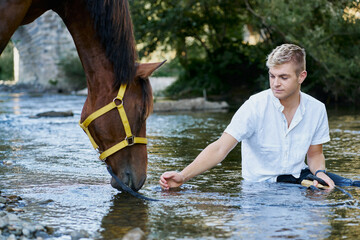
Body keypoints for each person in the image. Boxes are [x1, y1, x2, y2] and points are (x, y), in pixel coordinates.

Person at [159, 43, 360, 191]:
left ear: (302, 77)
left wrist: (319, 173)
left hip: (300, 183)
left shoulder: (317, 109)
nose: (275, 83)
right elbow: (220, 148)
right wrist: (182, 176)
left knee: (352, 186)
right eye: (272, 76)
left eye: (283, 77)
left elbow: (315, 154)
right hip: (261, 192)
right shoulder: (254, 107)